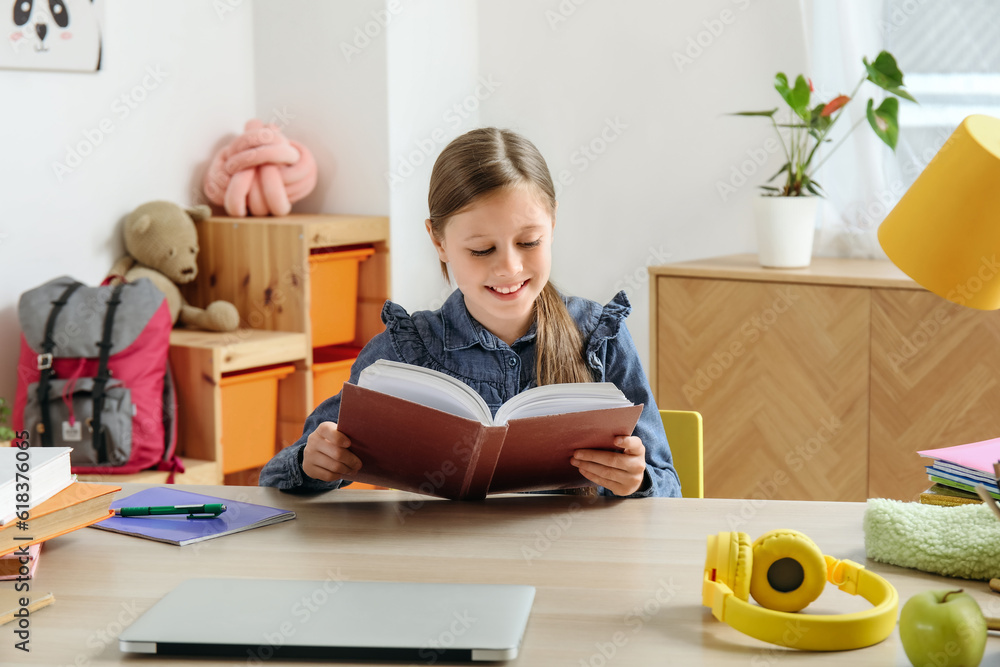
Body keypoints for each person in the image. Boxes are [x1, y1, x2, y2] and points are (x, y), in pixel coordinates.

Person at [259, 127, 681, 498]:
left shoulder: (598, 338)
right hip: (440, 570)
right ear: (438, 241)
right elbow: (276, 478)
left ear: (552, 224)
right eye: (482, 250)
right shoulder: (405, 351)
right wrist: (315, 465)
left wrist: (636, 480)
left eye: (530, 242)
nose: (510, 268)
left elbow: (668, 486)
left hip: (566, 568)